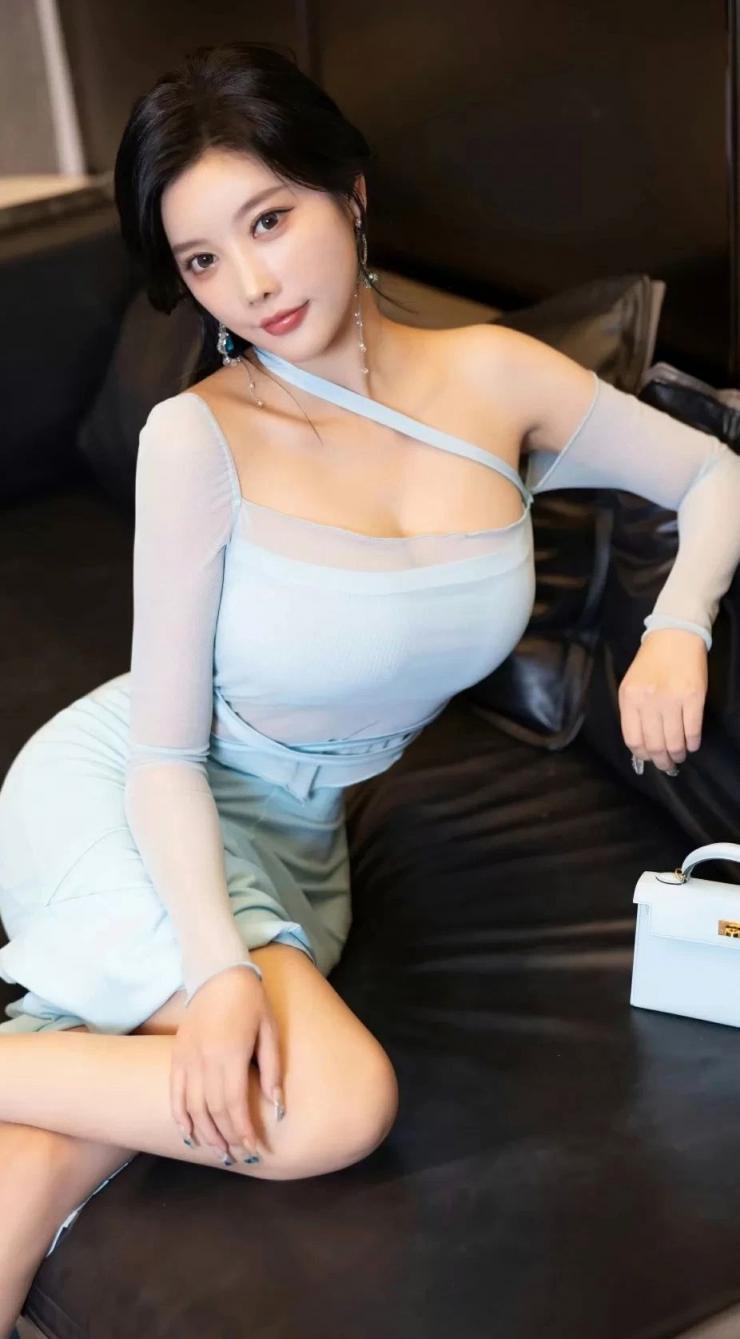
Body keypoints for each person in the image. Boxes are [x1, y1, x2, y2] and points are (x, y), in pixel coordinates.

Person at [1, 37, 740, 1329]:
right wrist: (222, 972)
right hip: (132, 796)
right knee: (327, 1104)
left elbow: (717, 472)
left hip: (304, 850)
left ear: (349, 192)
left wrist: (678, 624)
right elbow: (165, 757)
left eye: (268, 220)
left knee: (56, 1148)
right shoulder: (199, 437)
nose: (251, 284)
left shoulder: (495, 378)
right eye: (202, 260)